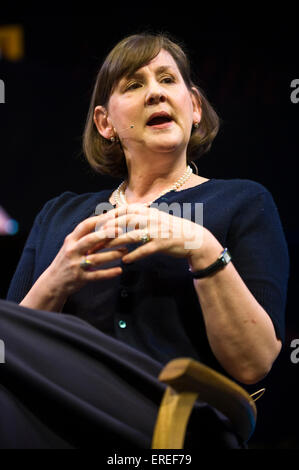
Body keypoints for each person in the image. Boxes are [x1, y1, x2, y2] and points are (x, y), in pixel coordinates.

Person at [1, 33, 289, 449]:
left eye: (167, 80)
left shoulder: (243, 202)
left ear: (194, 108)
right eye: (134, 85)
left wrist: (203, 248)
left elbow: (254, 363)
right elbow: (9, 344)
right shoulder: (59, 215)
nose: (155, 93)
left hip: (172, 412)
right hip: (57, 407)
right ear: (105, 123)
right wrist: (56, 279)